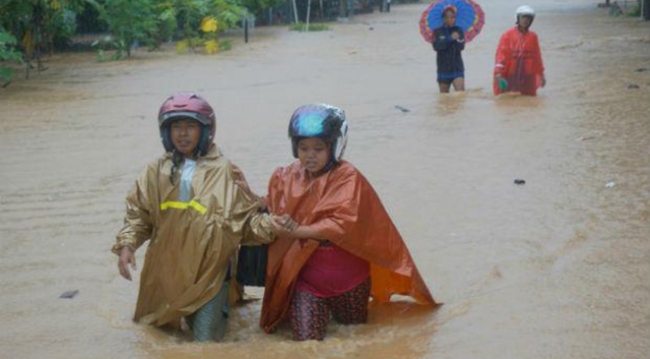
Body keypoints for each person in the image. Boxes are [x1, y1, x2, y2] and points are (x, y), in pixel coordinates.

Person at [235, 104, 438, 341]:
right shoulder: (288, 175)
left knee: (356, 339)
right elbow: (277, 205)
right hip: (307, 282)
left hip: (351, 282)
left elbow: (341, 225)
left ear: (334, 148)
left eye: (318, 149)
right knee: (306, 345)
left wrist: (298, 230)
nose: (310, 155)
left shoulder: (349, 177)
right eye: (303, 148)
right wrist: (251, 196)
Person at [112, 92, 281, 342]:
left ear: (205, 130)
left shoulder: (224, 169)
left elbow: (243, 222)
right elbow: (139, 215)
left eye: (190, 126)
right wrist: (127, 246)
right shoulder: (155, 170)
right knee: (158, 337)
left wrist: (274, 224)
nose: (182, 134)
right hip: (166, 271)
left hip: (209, 272)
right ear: (166, 132)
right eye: (176, 127)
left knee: (205, 344)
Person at [493, 5, 546, 96]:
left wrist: (541, 74)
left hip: (527, 73)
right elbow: (501, 55)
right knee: (508, 97)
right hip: (511, 72)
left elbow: (537, 57)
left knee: (528, 99)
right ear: (518, 18)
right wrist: (498, 73)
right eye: (523, 17)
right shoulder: (507, 35)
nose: (526, 20)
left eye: (528, 18)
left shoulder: (533, 37)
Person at [432, 6, 466, 93]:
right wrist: (450, 39)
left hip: (457, 67)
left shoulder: (459, 30)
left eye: (454, 17)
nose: (453, 19)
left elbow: (461, 47)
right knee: (444, 99)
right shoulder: (437, 32)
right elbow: (437, 47)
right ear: (444, 18)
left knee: (460, 95)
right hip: (443, 69)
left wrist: (458, 39)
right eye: (450, 17)